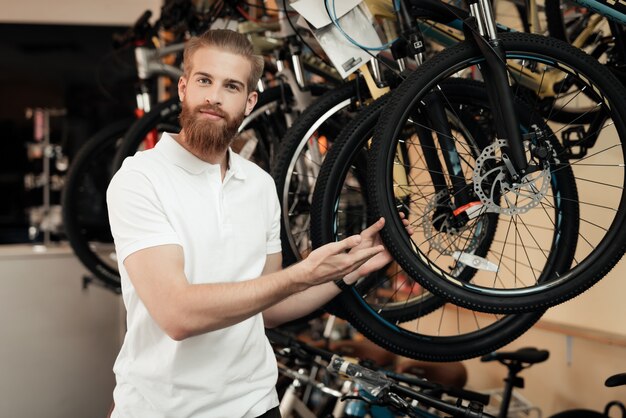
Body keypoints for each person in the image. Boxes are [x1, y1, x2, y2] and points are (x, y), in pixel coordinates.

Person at [106, 29, 403, 418]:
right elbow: (177, 315)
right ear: (182, 88)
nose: (213, 96)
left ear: (249, 103)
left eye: (230, 86)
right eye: (203, 80)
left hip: (255, 405)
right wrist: (303, 273)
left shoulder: (260, 186)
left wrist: (344, 271)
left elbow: (267, 306)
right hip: (163, 409)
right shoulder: (141, 178)